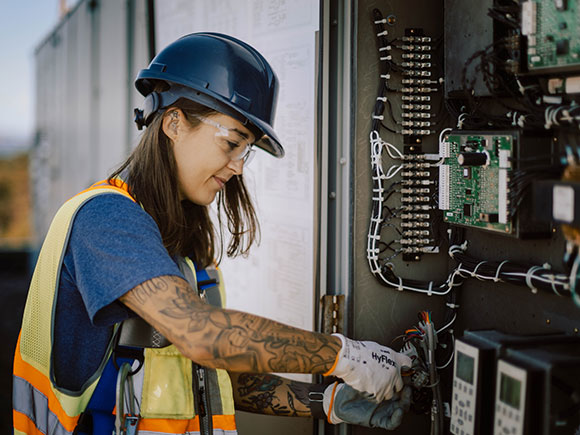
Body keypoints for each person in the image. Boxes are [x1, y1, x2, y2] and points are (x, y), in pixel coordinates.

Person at [13, 32, 413, 435]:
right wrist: (342, 355)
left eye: (246, 152)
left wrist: (327, 402)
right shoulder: (105, 219)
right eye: (232, 144)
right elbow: (203, 335)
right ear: (173, 123)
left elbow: (212, 376)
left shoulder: (178, 242)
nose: (238, 166)